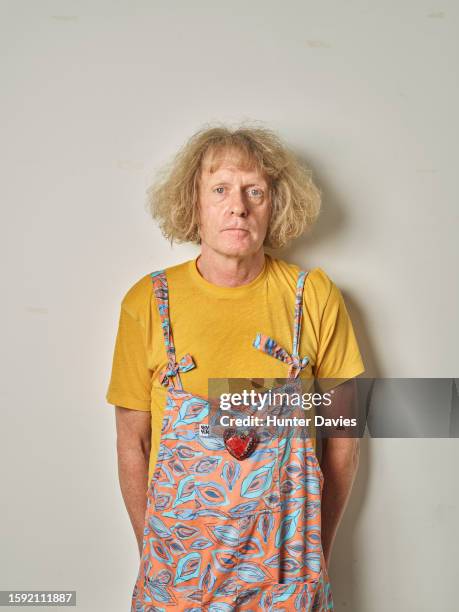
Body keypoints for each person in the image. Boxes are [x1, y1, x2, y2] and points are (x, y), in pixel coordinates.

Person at [106, 124, 365, 610]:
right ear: (194, 203)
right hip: (177, 583)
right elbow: (131, 442)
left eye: (255, 191)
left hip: (287, 581)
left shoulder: (314, 297)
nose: (238, 206)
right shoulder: (147, 302)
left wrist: (315, 556)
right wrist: (156, 558)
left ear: (276, 205)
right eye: (220, 189)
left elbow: (344, 441)